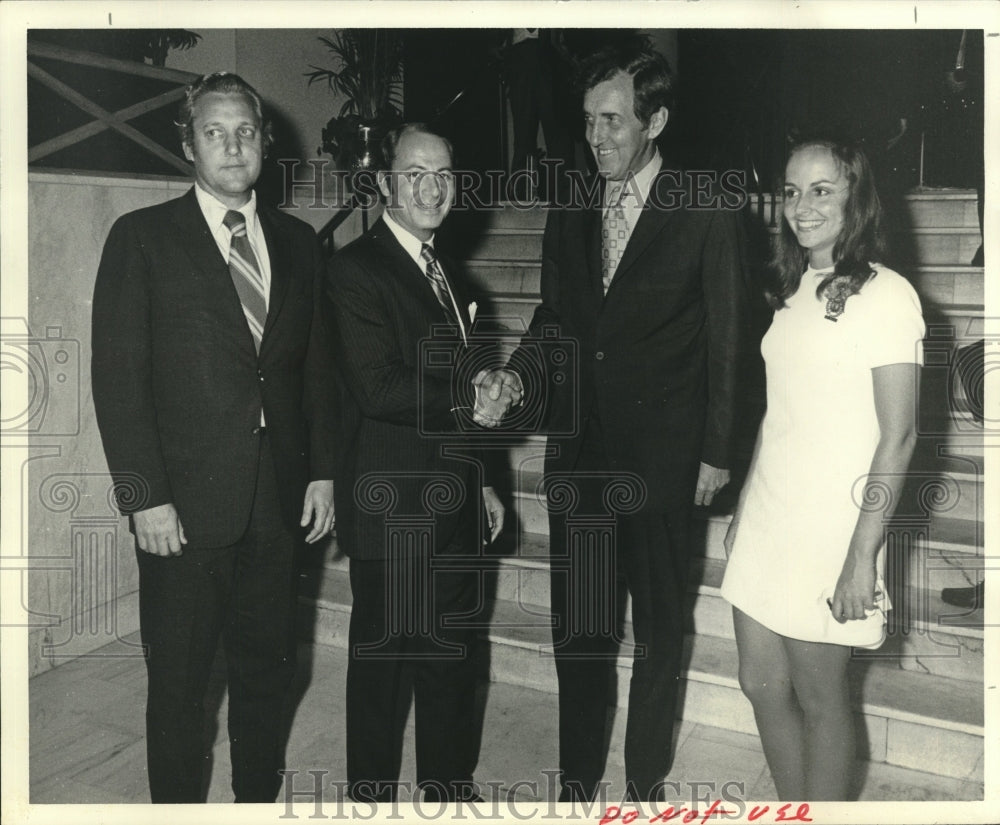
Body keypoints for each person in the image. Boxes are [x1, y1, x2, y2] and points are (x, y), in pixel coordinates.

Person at [480, 40, 748, 801]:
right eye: (588, 121)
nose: (595, 138)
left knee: (660, 636)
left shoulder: (706, 210)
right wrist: (516, 374)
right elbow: (555, 322)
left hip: (665, 463)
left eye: (612, 121)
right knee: (581, 633)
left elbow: (729, 340)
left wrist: (717, 452)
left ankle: (644, 783)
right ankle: (575, 781)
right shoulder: (571, 204)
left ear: (654, 119)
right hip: (583, 458)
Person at [91, 73, 337, 802]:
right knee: (180, 685)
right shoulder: (142, 238)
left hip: (277, 500)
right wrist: (144, 497)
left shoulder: (297, 243)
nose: (232, 145)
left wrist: (323, 470)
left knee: (267, 670)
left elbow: (315, 369)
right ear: (188, 143)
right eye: (213, 131)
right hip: (183, 508)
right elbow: (118, 379)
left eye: (244, 132)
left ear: (265, 142)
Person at [720, 138, 925, 800]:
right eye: (791, 190)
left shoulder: (888, 295)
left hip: (833, 524)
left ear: (856, 196)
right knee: (759, 680)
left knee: (818, 692)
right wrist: (746, 504)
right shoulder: (792, 288)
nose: (800, 206)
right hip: (770, 515)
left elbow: (899, 436)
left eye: (821, 189)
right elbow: (777, 415)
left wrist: (863, 555)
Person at [326, 123, 514, 803]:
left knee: (450, 663)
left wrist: (485, 478)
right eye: (416, 173)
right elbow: (378, 385)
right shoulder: (355, 269)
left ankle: (447, 791)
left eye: (445, 174)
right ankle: (371, 800)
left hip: (455, 504)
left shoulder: (447, 274)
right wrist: (471, 392)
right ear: (384, 184)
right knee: (385, 674)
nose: (433, 187)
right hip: (395, 508)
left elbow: (456, 397)